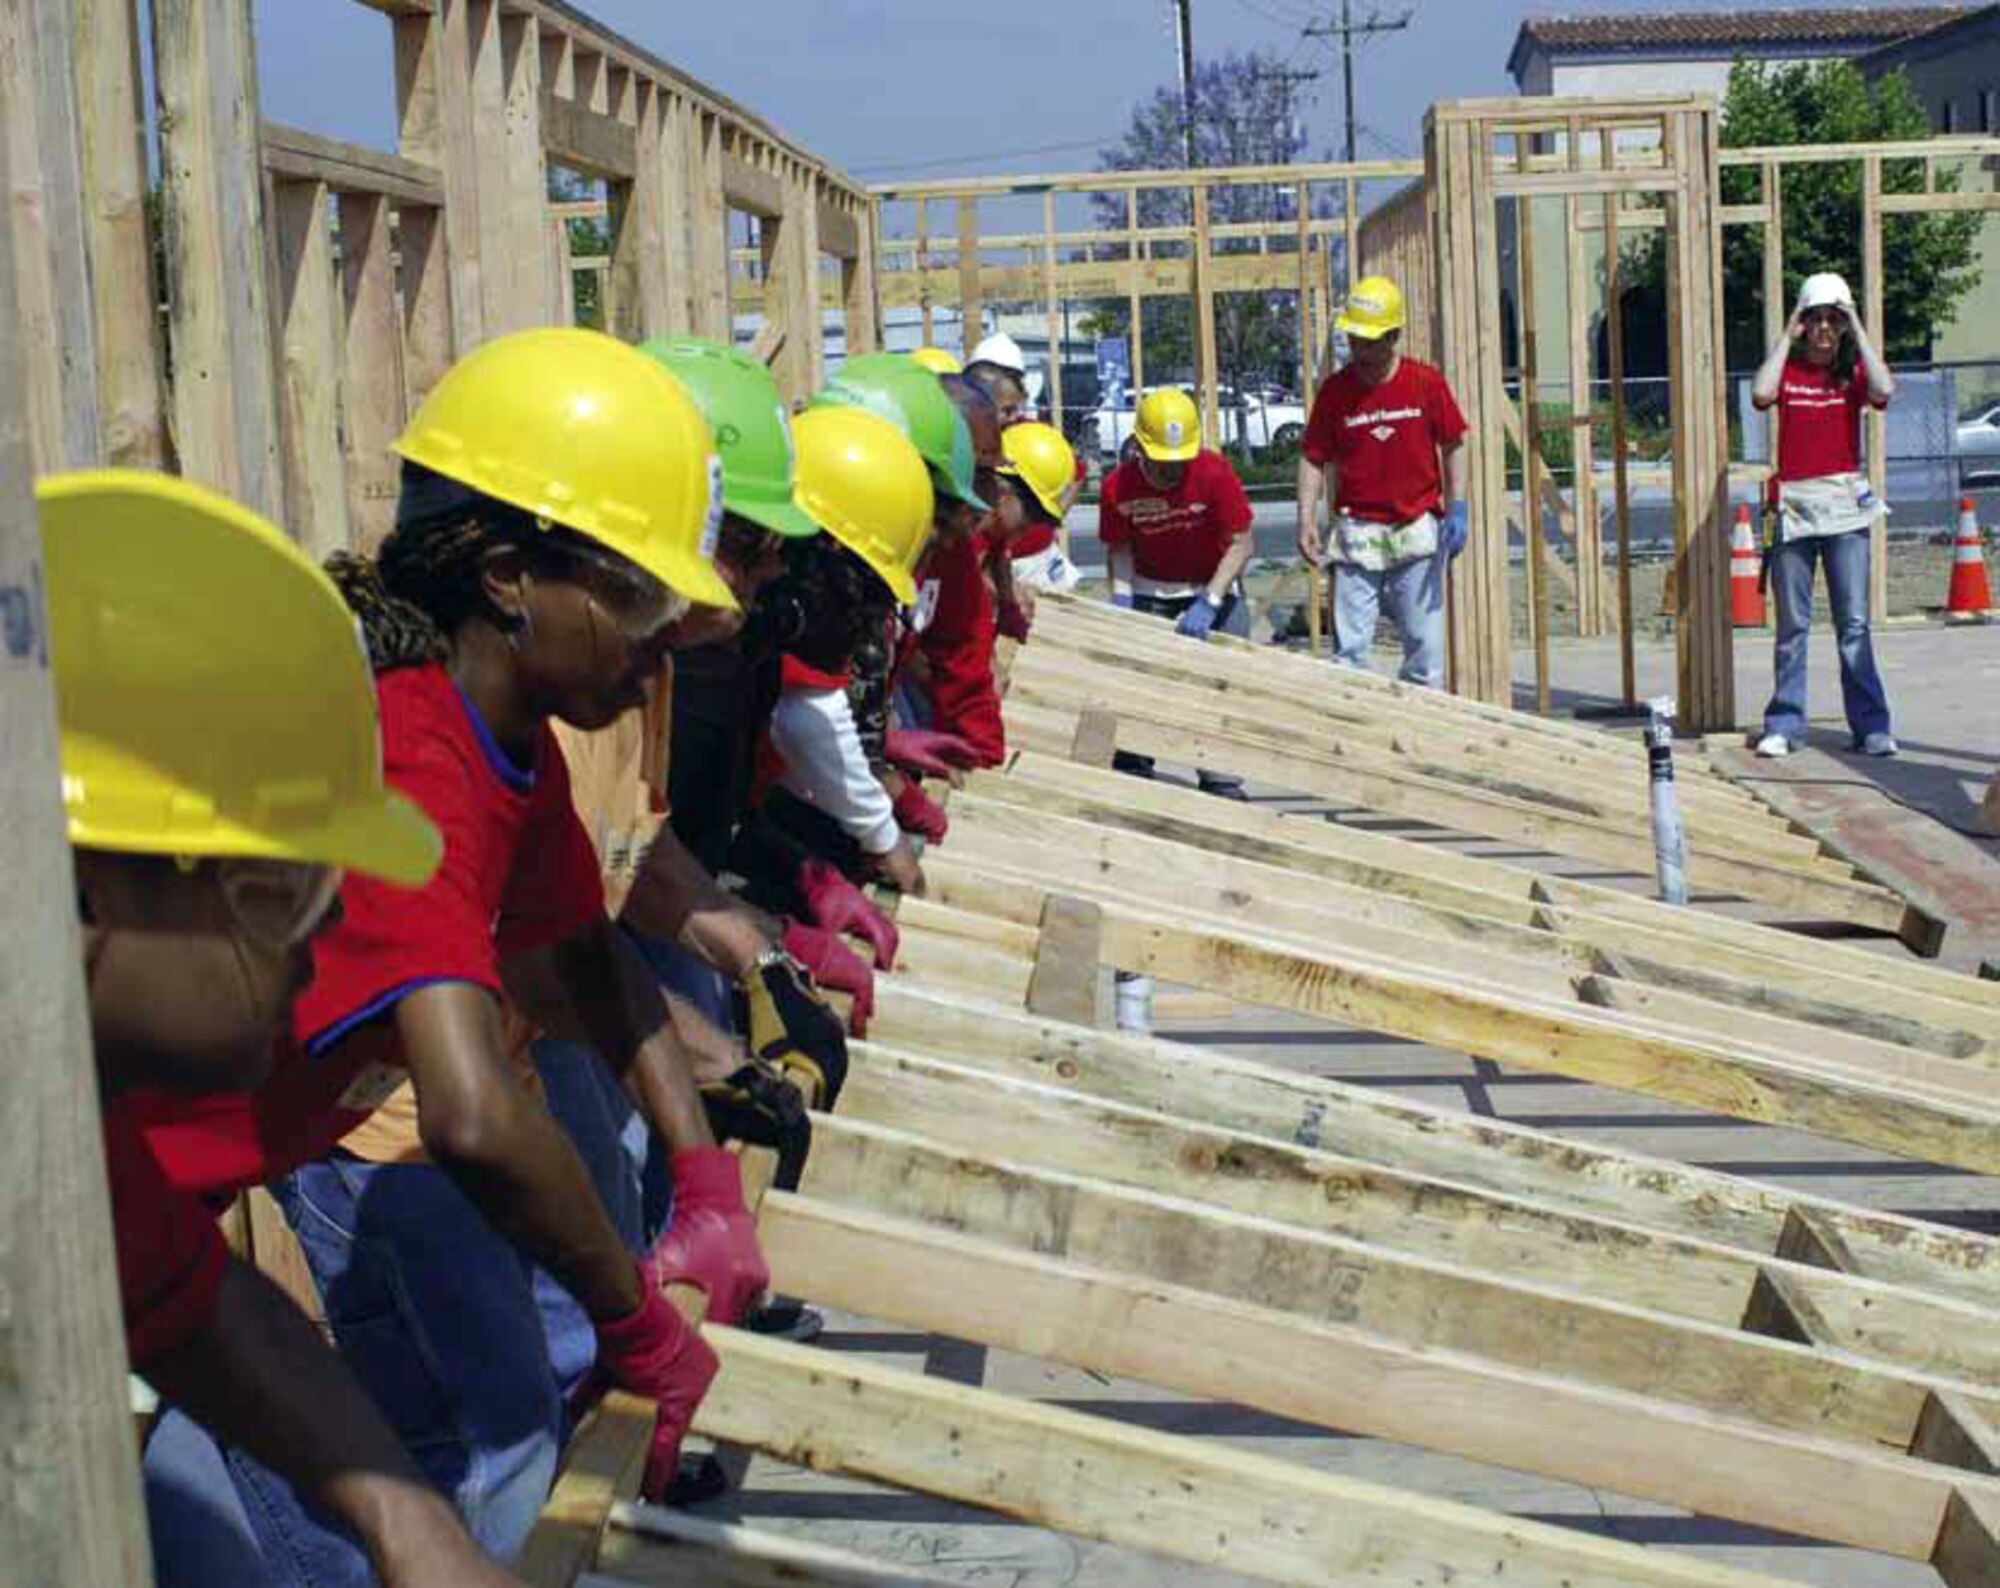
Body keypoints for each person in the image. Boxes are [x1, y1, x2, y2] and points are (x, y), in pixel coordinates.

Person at [137, 328, 766, 1585]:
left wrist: (697, 1172)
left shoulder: (505, 735)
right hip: (124, 1208)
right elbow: (474, 1115)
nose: (664, 639)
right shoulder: (412, 748)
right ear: (505, 576)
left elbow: (578, 957)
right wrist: (636, 1325)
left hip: (166, 1226)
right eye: (638, 598)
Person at [44, 469, 531, 1588]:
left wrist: (417, 1531)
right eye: (280, 893)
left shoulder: (59, 1129)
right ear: (74, 896)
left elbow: (196, 1306)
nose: (318, 946)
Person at [1749, 271, 1898, 759]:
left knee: (1853, 623)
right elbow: (1761, 393)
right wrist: (1788, 327)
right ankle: (1785, 724)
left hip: (1843, 514)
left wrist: (1856, 321)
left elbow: (1885, 390)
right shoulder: (1790, 375)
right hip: (1794, 508)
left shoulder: (1851, 377)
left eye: (1834, 321)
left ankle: (1872, 727)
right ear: (1804, 325)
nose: (1825, 330)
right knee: (1792, 626)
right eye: (1817, 320)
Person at [1297, 274, 1468, 690]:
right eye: (1355, 340)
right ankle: (1356, 735)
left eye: (1370, 341)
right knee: (1350, 654)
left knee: (1424, 651)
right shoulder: (1336, 392)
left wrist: (1457, 506)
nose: (1360, 350)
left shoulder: (1424, 383)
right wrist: (1306, 519)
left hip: (1414, 527)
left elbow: (1453, 443)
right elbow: (1313, 458)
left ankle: (1421, 733)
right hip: (1358, 531)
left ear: (1393, 335)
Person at [1097, 386, 1255, 798]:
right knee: (1139, 685)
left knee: (1219, 689)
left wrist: (1212, 600)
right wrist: (1122, 600)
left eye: (1180, 461)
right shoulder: (1118, 487)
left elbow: (1242, 541)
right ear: (1140, 448)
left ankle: (1220, 778)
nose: (1173, 471)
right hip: (1150, 590)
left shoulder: (1214, 473)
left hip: (1211, 588)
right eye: (1164, 462)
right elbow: (1120, 548)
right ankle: (1133, 767)